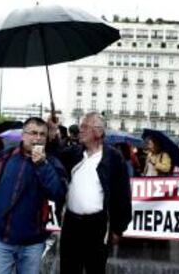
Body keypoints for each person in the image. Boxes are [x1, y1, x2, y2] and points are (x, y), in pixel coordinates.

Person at [0, 117, 67, 274]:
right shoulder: (5, 157)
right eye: (33, 133)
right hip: (2, 241)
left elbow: (58, 193)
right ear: (23, 135)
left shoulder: (51, 162)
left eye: (42, 134)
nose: (38, 138)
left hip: (32, 244)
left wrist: (42, 165)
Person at [60, 112, 132, 274]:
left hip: (97, 225)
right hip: (71, 224)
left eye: (85, 127)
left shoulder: (114, 157)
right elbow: (53, 155)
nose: (80, 130)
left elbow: (122, 195)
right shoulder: (75, 153)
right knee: (68, 268)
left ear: (99, 132)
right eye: (80, 127)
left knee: (95, 268)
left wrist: (118, 228)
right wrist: (51, 132)